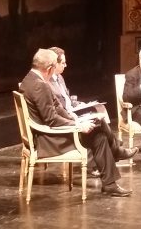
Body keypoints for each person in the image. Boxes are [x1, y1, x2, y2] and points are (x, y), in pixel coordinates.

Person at [20, 48, 133, 197]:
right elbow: (51, 119)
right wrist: (78, 126)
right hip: (49, 140)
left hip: (48, 132)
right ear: (48, 69)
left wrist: (77, 119)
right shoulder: (39, 85)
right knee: (98, 135)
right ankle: (110, 180)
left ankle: (110, 181)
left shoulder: (30, 79)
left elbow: (57, 108)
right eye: (54, 67)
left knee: (97, 127)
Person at [48, 46, 132, 177]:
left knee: (100, 117)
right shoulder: (47, 83)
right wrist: (74, 116)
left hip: (72, 111)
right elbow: (56, 110)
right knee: (98, 127)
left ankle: (113, 153)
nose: (66, 65)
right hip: (67, 119)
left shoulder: (59, 78)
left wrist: (80, 104)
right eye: (63, 63)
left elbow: (67, 99)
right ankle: (115, 150)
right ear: (54, 64)